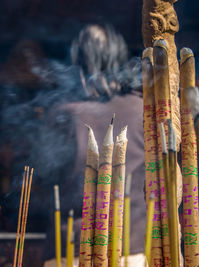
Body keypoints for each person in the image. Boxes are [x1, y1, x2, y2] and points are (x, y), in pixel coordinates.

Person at [43, 24, 145, 261]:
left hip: (73, 249)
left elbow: (42, 179)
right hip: (131, 250)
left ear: (76, 63)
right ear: (119, 59)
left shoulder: (63, 114)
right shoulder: (144, 110)